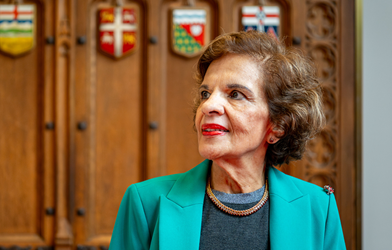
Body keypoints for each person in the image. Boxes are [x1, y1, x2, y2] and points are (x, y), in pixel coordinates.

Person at [109, 31, 346, 250]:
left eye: (235, 94)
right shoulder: (145, 202)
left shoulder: (318, 208)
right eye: (205, 93)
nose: (208, 105)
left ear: (278, 124)